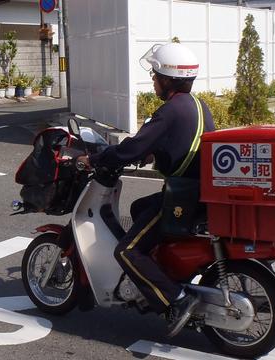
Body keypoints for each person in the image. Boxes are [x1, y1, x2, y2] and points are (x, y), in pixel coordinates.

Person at [77, 43, 215, 336]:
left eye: (154, 75)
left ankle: (175, 299)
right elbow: (180, 143)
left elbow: (133, 146)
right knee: (139, 208)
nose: (152, 80)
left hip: (183, 197)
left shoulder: (168, 111)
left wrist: (93, 158)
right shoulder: (197, 105)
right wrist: (153, 153)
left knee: (126, 251)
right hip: (200, 191)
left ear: (167, 79)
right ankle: (160, 271)